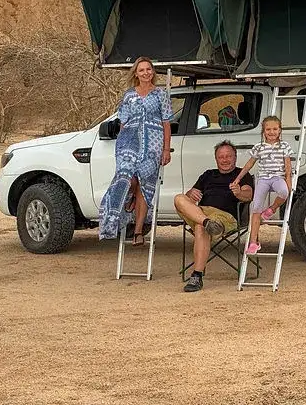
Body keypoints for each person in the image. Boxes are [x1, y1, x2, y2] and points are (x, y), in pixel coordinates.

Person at [98, 57, 172, 245]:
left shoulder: (160, 95)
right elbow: (123, 122)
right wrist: (120, 145)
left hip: (153, 146)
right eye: (142, 70)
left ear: (153, 72)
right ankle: (124, 203)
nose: (146, 72)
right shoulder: (129, 95)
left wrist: (166, 149)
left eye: (149, 69)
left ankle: (138, 231)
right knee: (126, 179)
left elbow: (166, 123)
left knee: (145, 186)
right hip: (129, 142)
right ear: (136, 74)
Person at [173, 141, 254, 293]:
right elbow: (190, 196)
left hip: (225, 216)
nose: (225, 160)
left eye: (228, 156)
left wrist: (238, 192)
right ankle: (207, 222)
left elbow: (248, 195)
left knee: (200, 227)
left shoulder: (242, 174)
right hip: (202, 213)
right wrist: (191, 194)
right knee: (179, 198)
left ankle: (196, 276)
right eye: (221, 157)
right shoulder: (208, 174)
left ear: (235, 157)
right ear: (216, 159)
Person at [232, 116, 294, 255]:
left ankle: (272, 209)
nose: (271, 132)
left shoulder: (284, 146)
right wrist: (238, 178)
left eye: (275, 129)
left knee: (284, 192)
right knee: (256, 208)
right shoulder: (259, 147)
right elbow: (249, 164)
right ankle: (254, 242)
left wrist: (288, 179)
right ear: (263, 131)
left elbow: (288, 165)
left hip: (278, 177)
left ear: (279, 131)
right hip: (264, 179)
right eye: (268, 129)